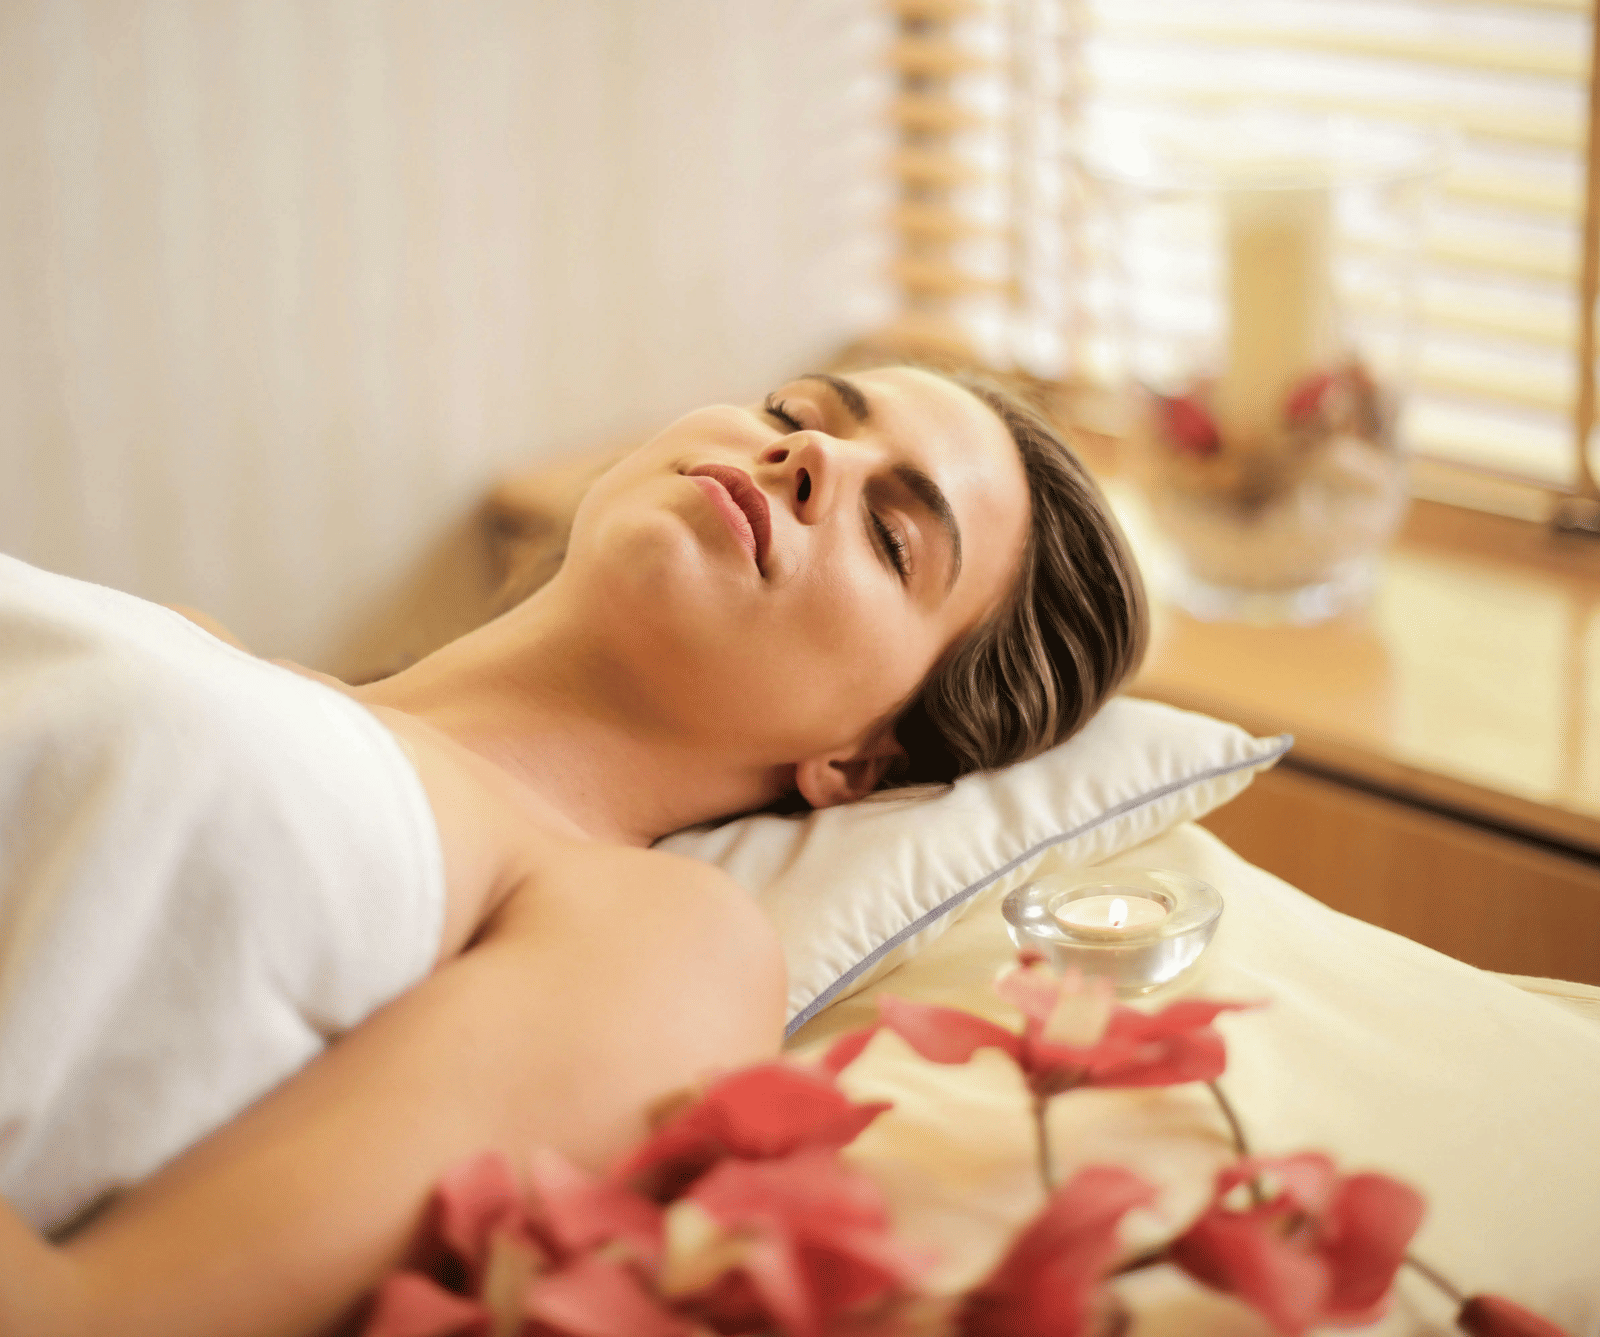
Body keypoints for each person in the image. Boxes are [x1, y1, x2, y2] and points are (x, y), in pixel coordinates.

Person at [0, 364, 1146, 1337]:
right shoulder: (199, 647)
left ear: (858, 762)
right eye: (797, 413)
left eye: (892, 535)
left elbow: (88, 1316)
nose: (809, 462)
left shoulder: (655, 933)